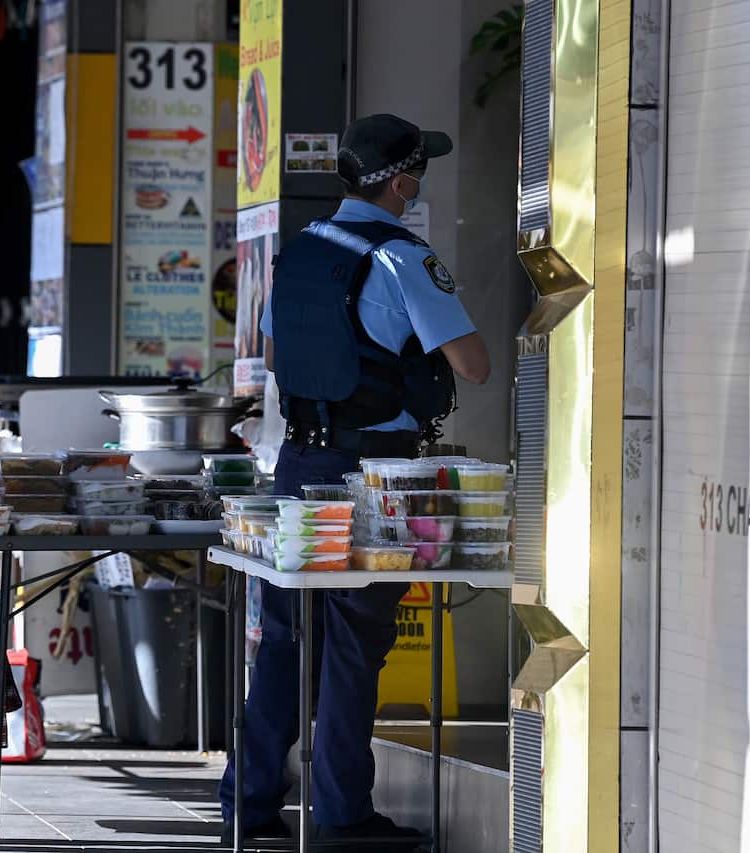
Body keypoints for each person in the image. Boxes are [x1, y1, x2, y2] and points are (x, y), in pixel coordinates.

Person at [219, 113, 490, 849]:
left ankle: (246, 800)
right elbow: (473, 363)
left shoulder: (303, 250)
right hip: (373, 472)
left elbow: (276, 356)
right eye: (419, 171)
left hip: (297, 463)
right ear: (401, 181)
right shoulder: (403, 257)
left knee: (281, 636)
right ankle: (341, 811)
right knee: (353, 638)